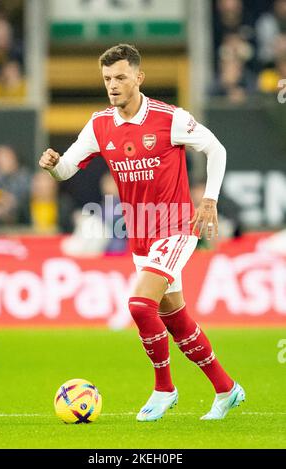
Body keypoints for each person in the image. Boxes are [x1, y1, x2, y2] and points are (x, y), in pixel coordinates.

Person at [39, 44, 245, 422]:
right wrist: (53, 166)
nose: (113, 86)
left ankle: (164, 388)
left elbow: (217, 149)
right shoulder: (100, 125)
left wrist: (210, 200)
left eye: (120, 77)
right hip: (140, 234)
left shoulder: (170, 119)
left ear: (139, 77)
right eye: (107, 79)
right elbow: (68, 167)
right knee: (175, 318)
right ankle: (226, 388)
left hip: (176, 227)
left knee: (138, 305)